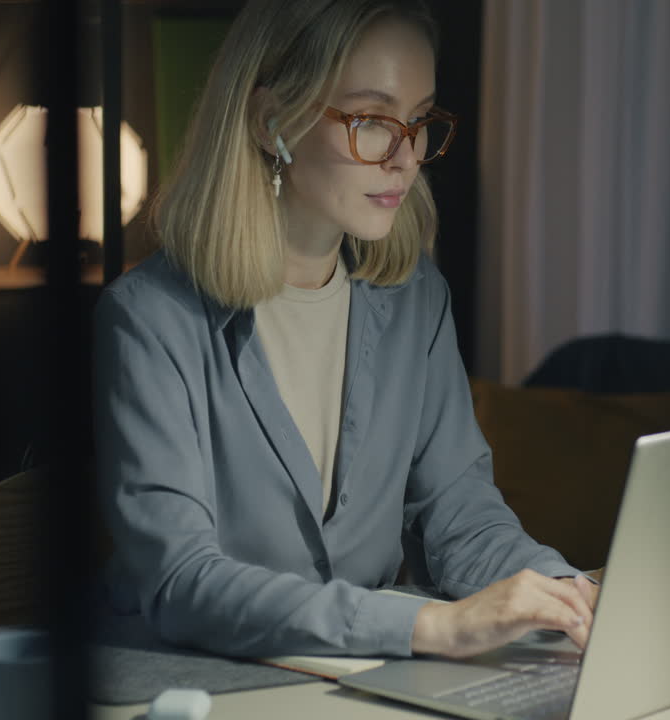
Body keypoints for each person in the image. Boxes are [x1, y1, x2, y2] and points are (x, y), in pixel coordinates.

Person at [92, 0, 597, 661]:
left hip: (367, 689)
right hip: (197, 689)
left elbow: (461, 517)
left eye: (418, 122)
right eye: (371, 120)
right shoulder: (148, 319)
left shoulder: (416, 299)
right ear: (271, 120)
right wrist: (427, 628)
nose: (406, 158)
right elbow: (182, 579)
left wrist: (563, 592)